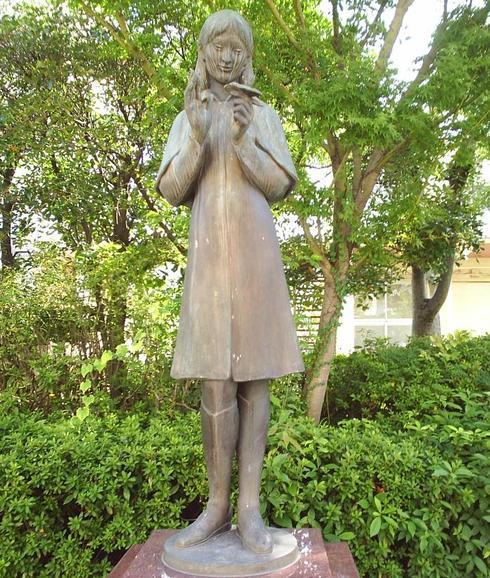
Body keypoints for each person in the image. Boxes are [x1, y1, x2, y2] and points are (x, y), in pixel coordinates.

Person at [156, 9, 304, 554]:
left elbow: (279, 183)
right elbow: (172, 189)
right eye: (216, 45)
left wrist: (243, 138)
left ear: (246, 55)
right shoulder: (187, 116)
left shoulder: (261, 114)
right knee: (214, 383)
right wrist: (198, 137)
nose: (226, 55)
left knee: (254, 380)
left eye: (234, 46)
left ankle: (249, 510)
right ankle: (216, 505)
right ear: (204, 52)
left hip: (255, 260)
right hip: (209, 265)